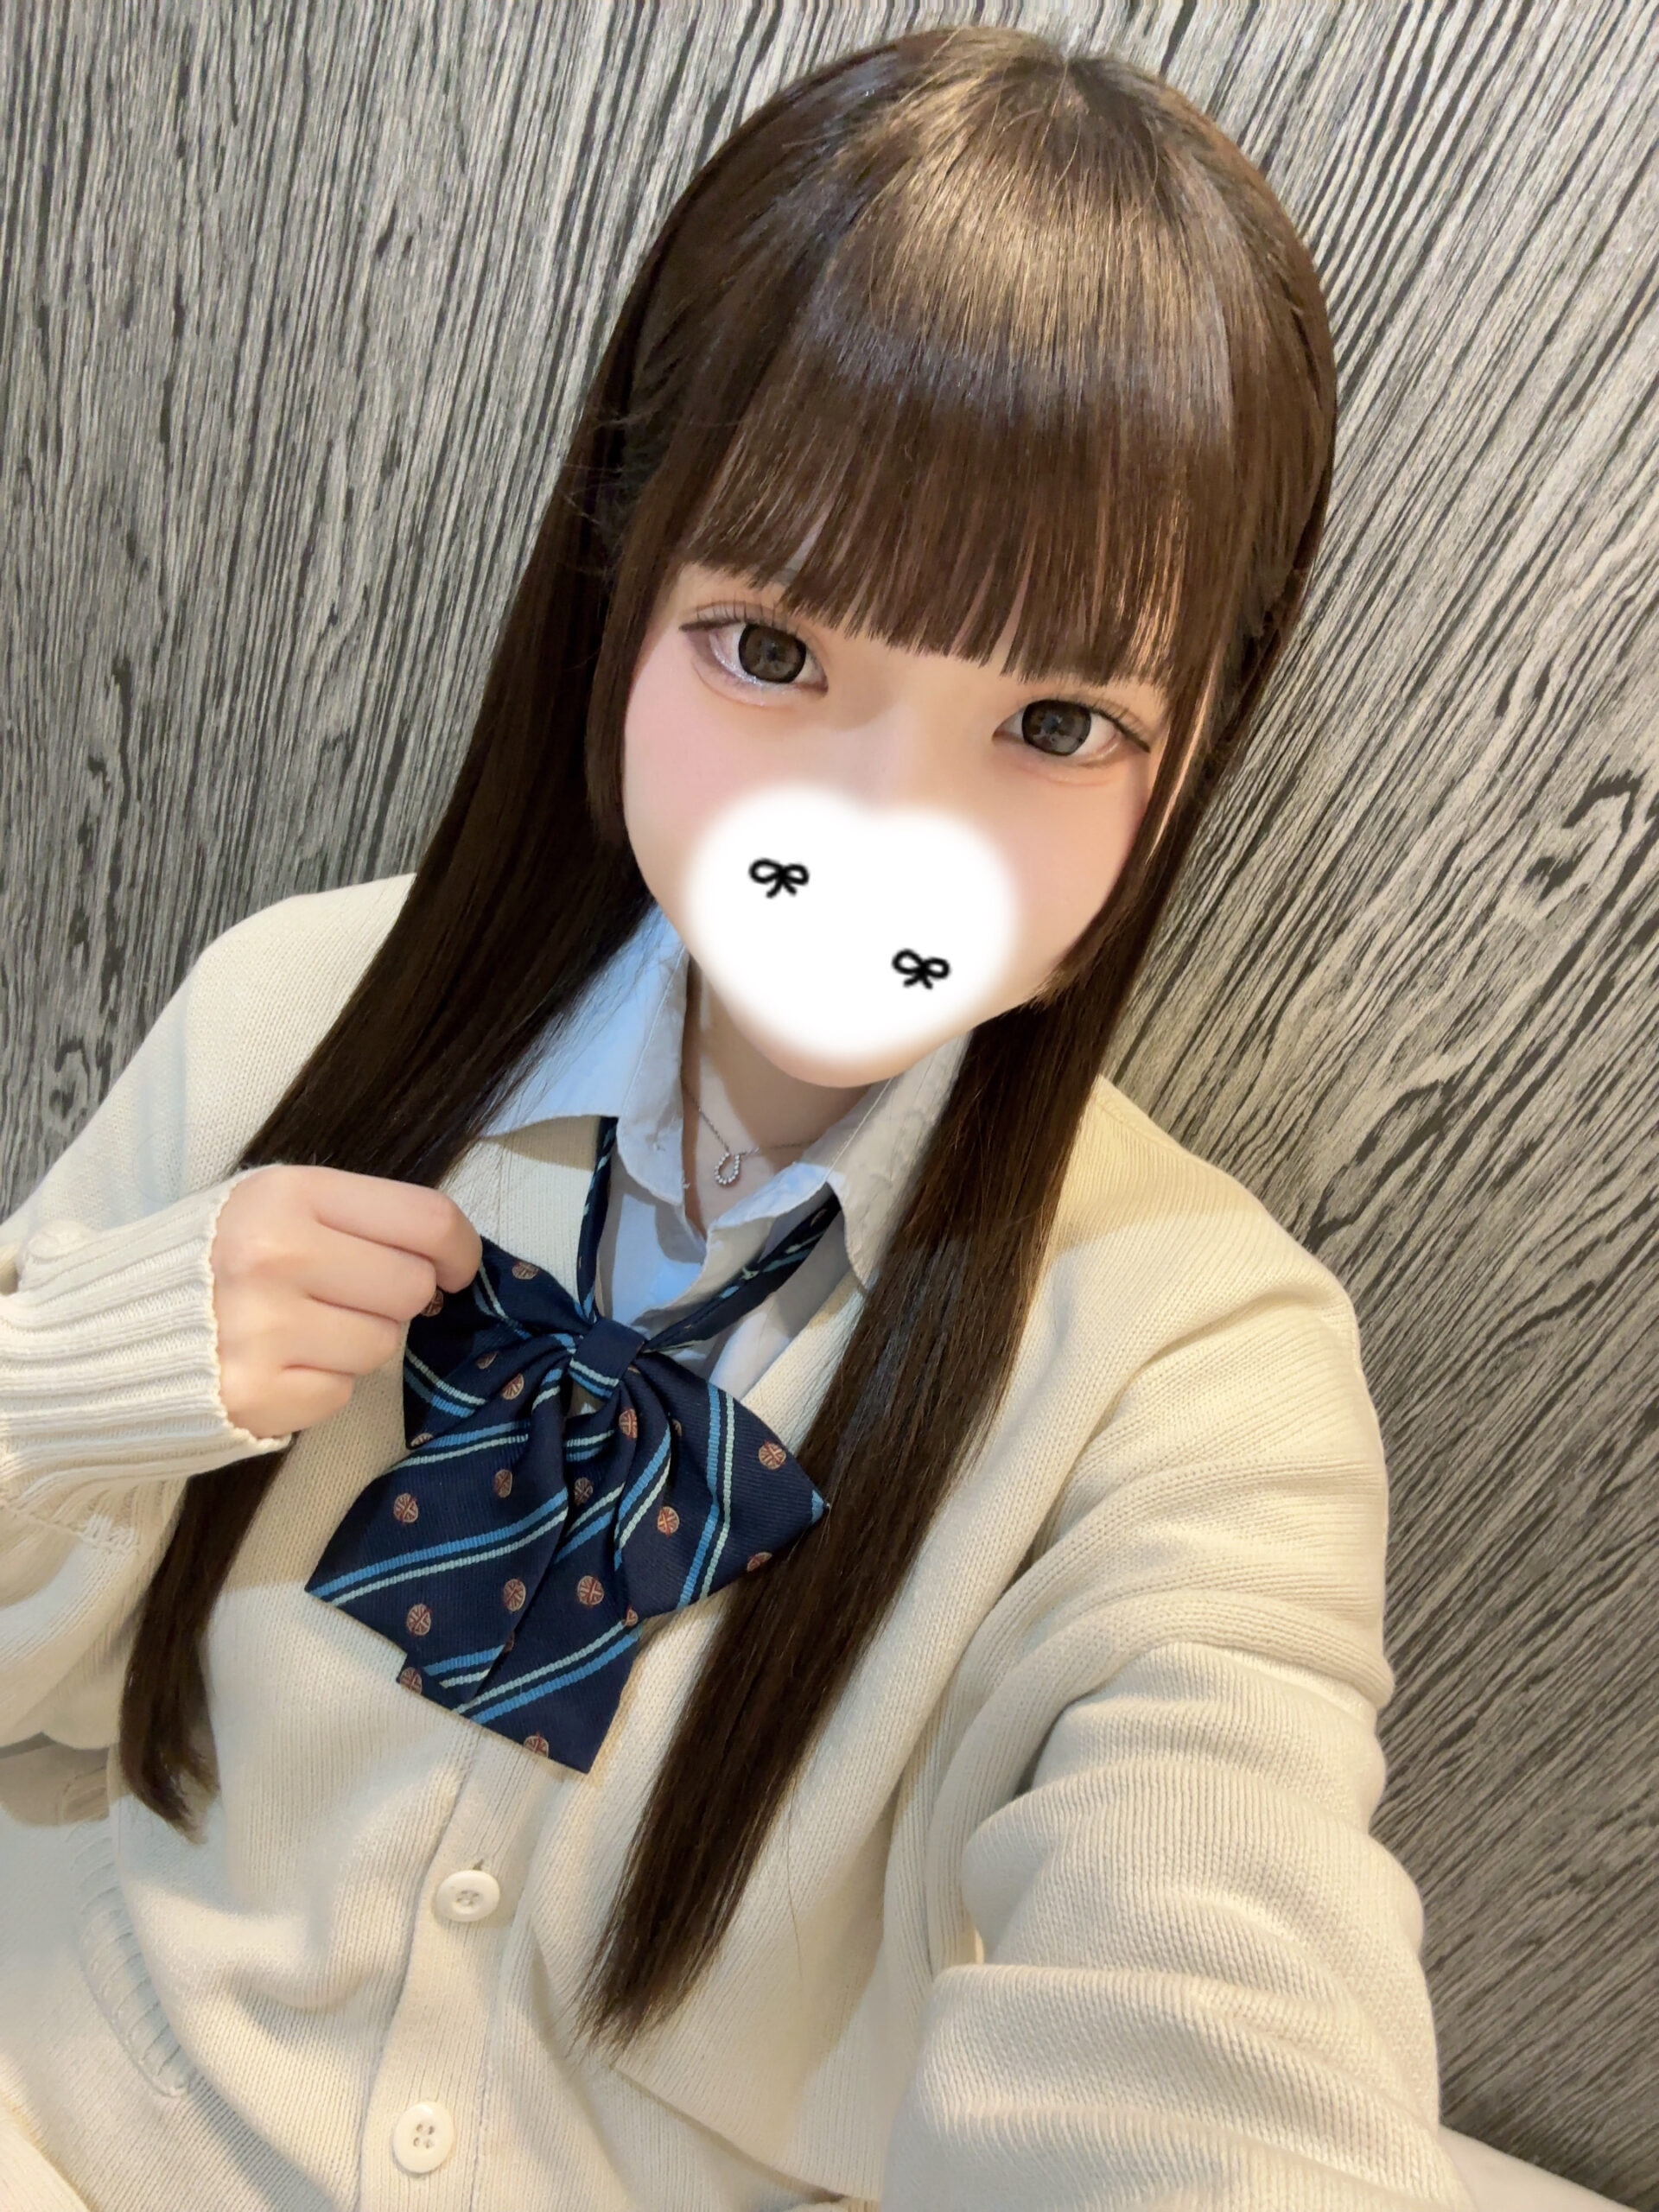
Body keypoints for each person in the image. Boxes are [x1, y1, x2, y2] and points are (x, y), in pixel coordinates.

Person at [0, 25, 1477, 2212]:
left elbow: (1224, 1980)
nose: (878, 830)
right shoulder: (295, 1014)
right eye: (773, 648)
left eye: (1056, 717)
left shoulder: (1197, 1366)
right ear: (619, 591)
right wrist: (86, 1369)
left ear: (1194, 755)